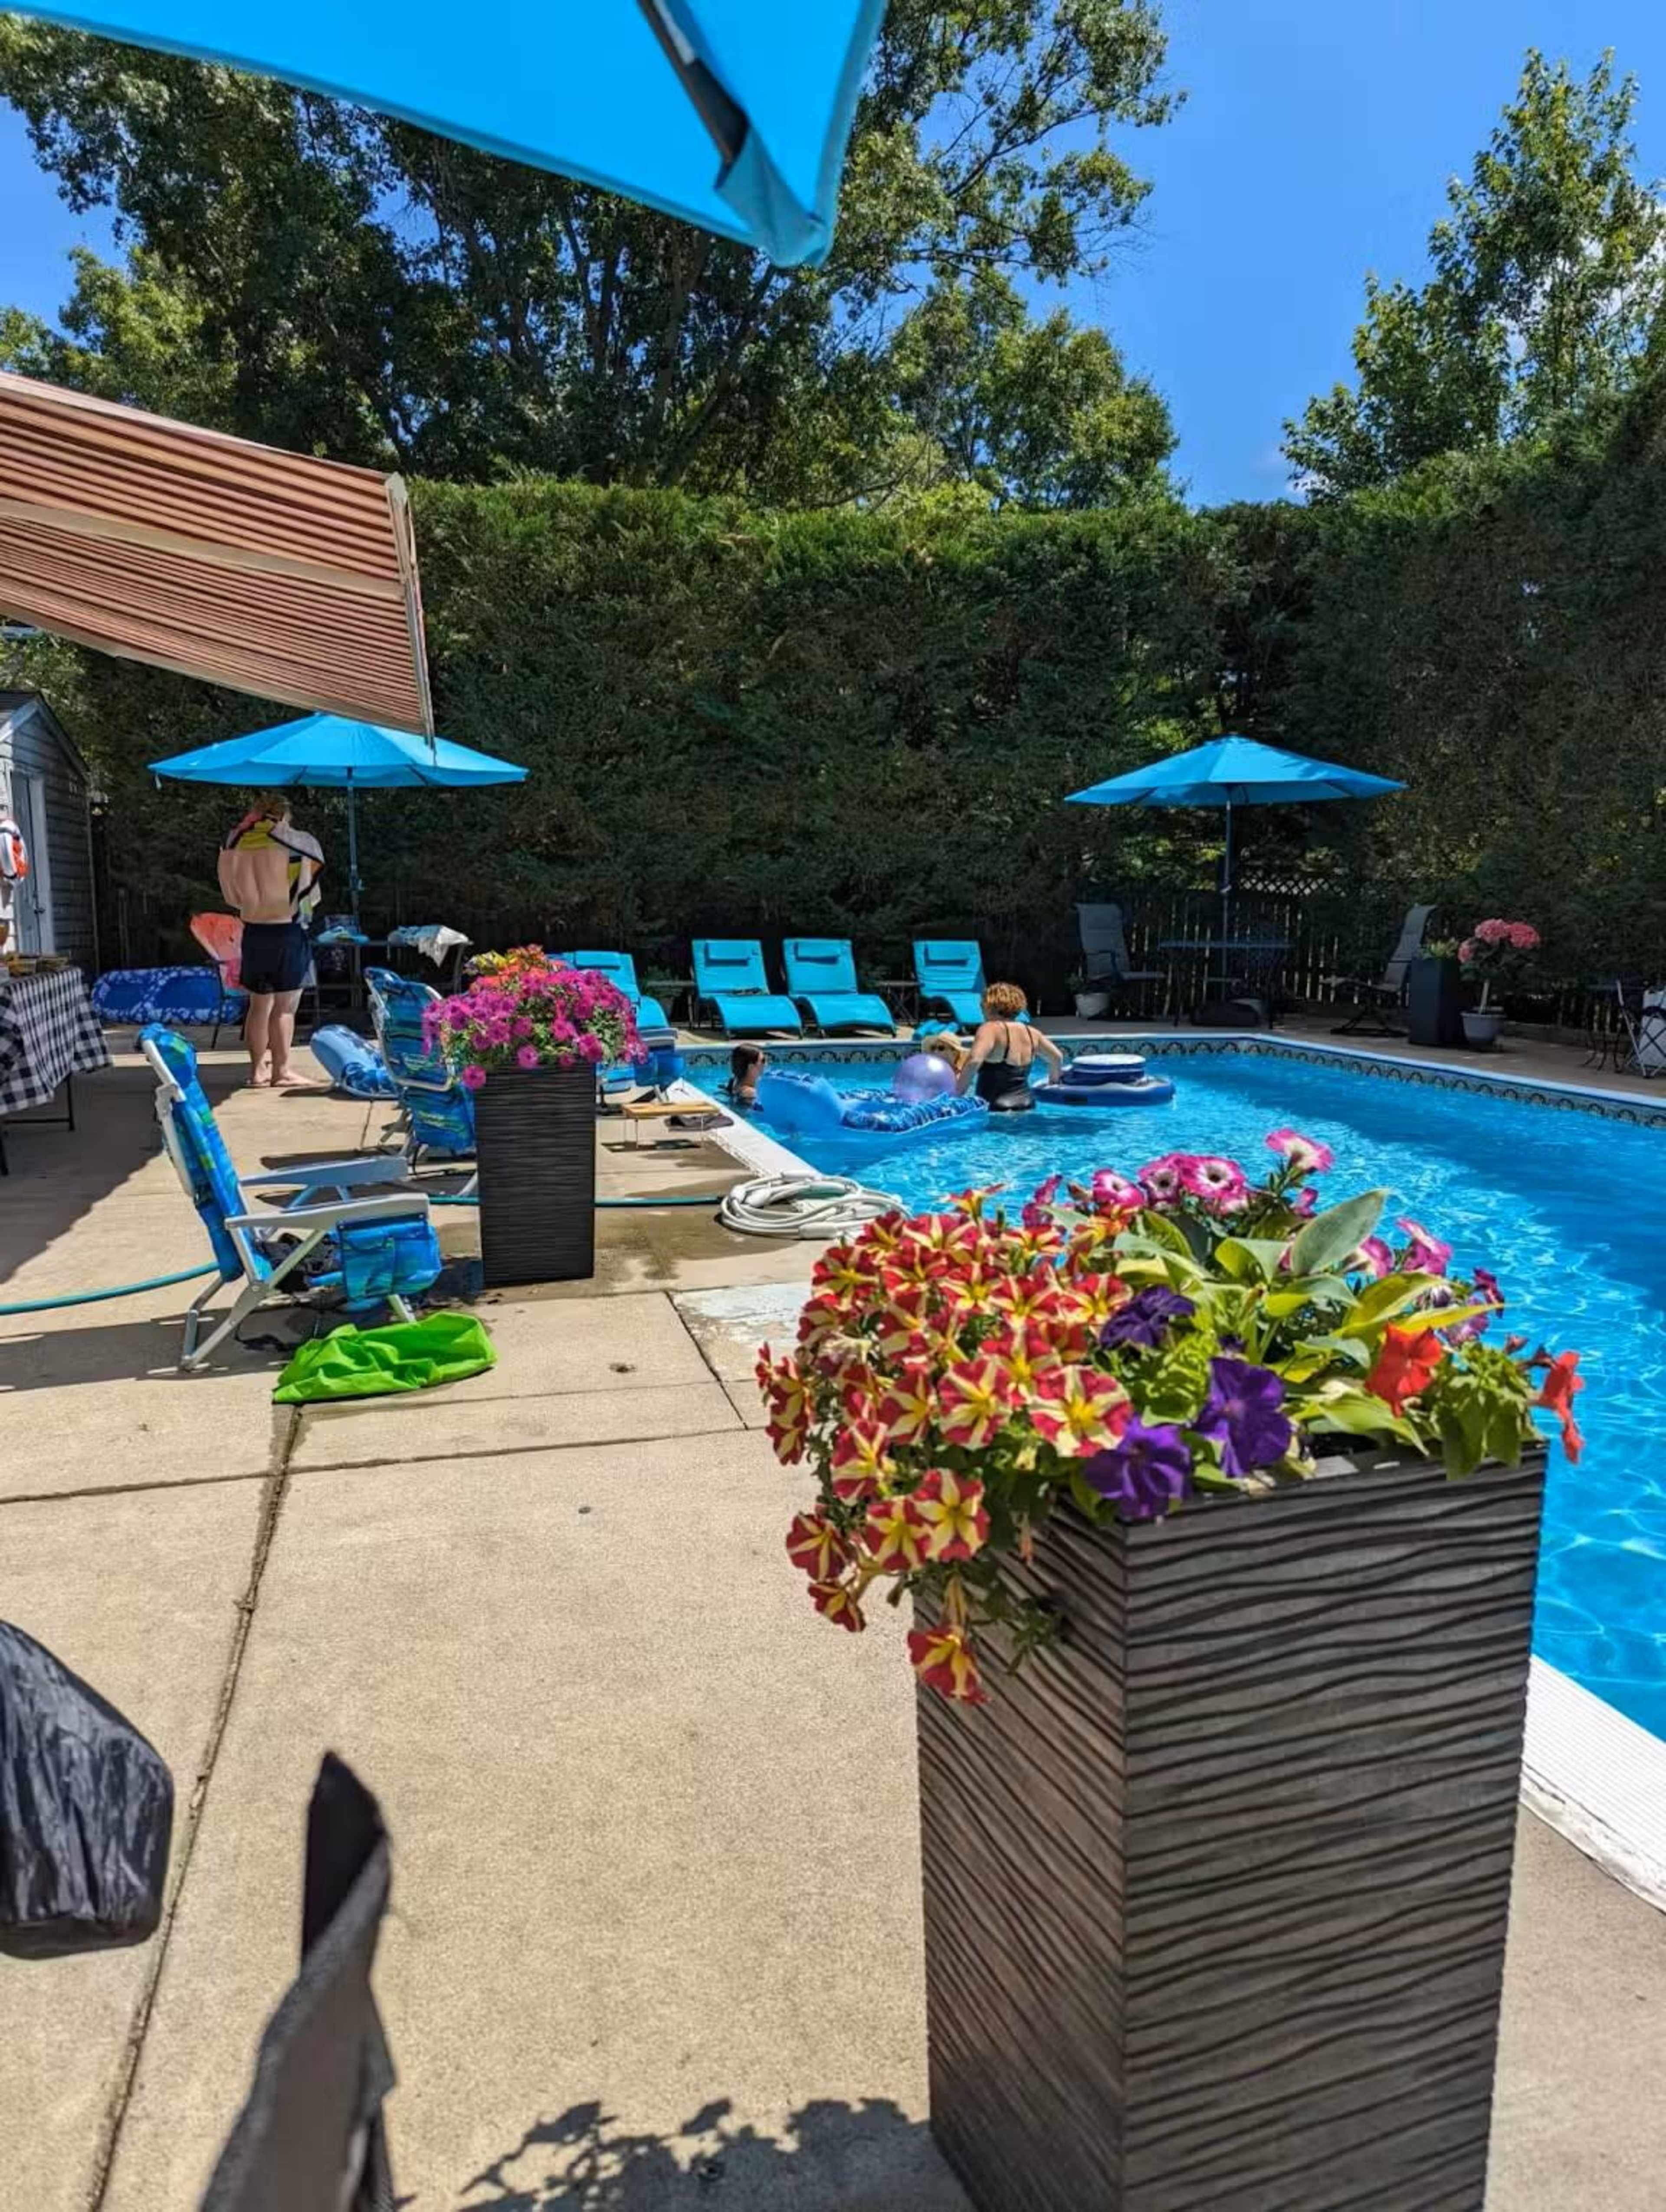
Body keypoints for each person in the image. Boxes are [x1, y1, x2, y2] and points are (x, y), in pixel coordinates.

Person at [217, 792, 325, 1087]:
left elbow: (231, 895)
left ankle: (256, 1072)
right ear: (285, 815)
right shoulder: (299, 842)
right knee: (285, 1008)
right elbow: (310, 895)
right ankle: (282, 1071)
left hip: (253, 931)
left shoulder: (235, 842)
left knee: (258, 1006)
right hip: (286, 930)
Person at [958, 982, 1065, 1112]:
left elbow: (974, 1061)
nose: (981, 1008)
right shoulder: (1032, 1033)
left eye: (982, 1004)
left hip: (996, 1108)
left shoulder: (990, 1029)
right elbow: (1057, 1057)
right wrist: (1053, 1083)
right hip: (1027, 1104)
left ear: (990, 1005)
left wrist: (957, 1095)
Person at [727, 1043, 766, 1108]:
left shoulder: (734, 1082)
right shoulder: (750, 1093)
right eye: (763, 1061)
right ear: (751, 1067)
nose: (766, 1064)